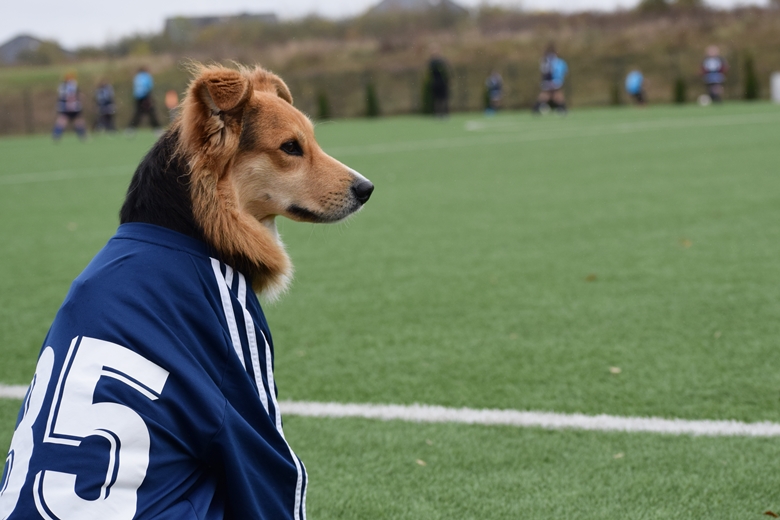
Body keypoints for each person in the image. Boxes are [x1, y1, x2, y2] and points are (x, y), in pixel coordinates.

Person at [533, 43, 568, 115]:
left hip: (547, 81)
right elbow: (561, 70)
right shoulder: (555, 60)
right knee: (555, 94)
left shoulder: (545, 59)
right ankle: (562, 109)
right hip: (554, 80)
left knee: (549, 94)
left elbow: (543, 70)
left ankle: (536, 108)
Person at [52, 73, 87, 141]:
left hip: (65, 107)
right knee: (77, 120)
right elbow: (72, 95)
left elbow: (61, 96)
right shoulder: (72, 85)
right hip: (73, 107)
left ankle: (56, 135)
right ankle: (83, 136)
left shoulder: (62, 86)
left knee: (64, 120)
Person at [128, 66, 160, 131]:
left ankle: (131, 128)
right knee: (151, 113)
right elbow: (149, 87)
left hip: (137, 97)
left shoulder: (137, 77)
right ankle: (157, 128)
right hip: (146, 97)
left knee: (138, 113)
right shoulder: (147, 76)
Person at [428, 47, 450, 118]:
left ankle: (443, 113)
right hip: (437, 83)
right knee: (439, 99)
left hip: (440, 83)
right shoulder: (436, 62)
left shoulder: (436, 62)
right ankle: (439, 114)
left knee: (442, 99)